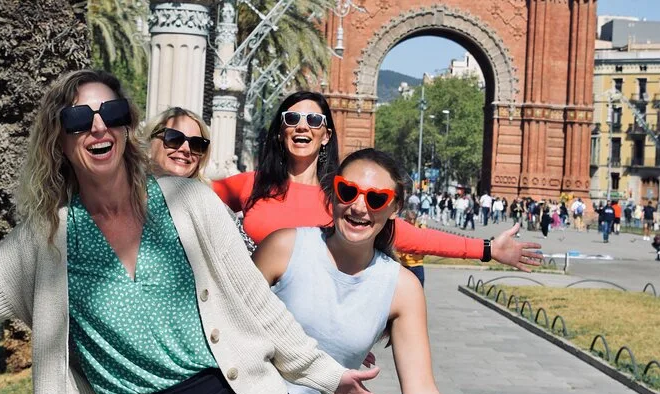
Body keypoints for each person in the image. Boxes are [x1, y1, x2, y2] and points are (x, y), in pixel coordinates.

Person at [0, 70, 396, 394]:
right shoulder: (43, 240)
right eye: (79, 119)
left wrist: (326, 376)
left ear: (126, 126)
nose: (99, 127)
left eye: (111, 113)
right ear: (58, 138)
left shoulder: (189, 200)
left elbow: (257, 303)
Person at [252, 148, 476, 394]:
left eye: (376, 198)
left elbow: (421, 391)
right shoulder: (285, 247)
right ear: (333, 194)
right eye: (347, 192)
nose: (359, 207)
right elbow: (226, 327)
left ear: (395, 207)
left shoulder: (402, 288)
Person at [212, 91, 542, 271]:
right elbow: (189, 196)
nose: (302, 126)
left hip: (310, 341)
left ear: (326, 135)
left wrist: (487, 249)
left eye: (313, 119)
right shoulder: (249, 184)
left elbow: (409, 236)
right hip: (246, 328)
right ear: (280, 131)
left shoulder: (344, 196)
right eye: (292, 118)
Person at [144, 106, 256, 253]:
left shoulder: (211, 206)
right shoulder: (122, 193)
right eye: (173, 138)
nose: (186, 149)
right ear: (150, 141)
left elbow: (246, 257)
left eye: (197, 144)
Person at [397, 210, 426, 287]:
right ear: (406, 218)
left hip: (418, 263)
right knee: (405, 288)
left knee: (419, 286)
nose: (412, 221)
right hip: (405, 264)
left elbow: (426, 242)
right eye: (410, 219)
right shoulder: (401, 227)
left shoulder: (420, 228)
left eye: (414, 219)